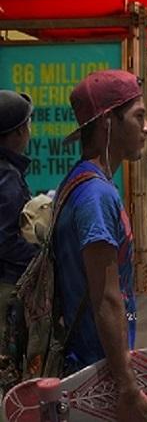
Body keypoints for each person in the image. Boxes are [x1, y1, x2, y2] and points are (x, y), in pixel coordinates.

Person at [53, 70, 147, 420]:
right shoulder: (96, 196)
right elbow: (106, 299)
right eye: (139, 116)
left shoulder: (80, 181)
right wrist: (127, 387)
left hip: (92, 365)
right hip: (95, 374)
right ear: (107, 123)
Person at [0, 91, 39, 337]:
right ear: (18, 132)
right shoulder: (7, 176)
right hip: (8, 283)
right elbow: (5, 239)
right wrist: (41, 255)